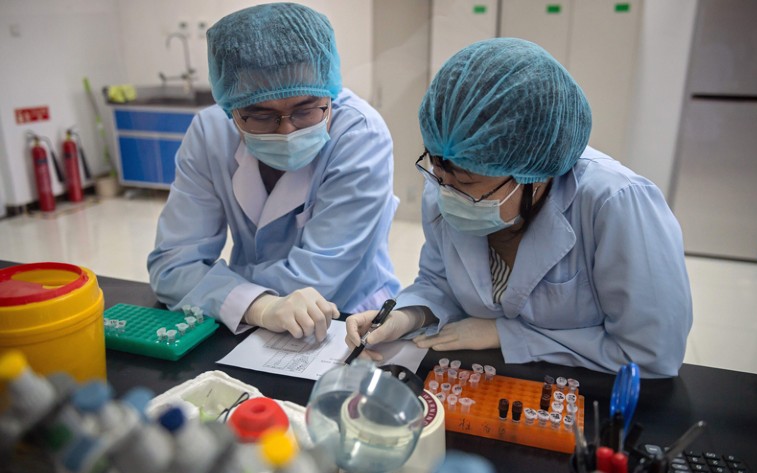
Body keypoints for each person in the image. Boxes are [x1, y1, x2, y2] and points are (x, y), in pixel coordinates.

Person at [346, 38, 692, 378]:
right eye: (438, 172)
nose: (446, 192)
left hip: (586, 392)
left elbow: (651, 352)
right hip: (485, 379)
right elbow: (439, 282)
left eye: (467, 184)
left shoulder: (615, 204)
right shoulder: (447, 180)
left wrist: (506, 334)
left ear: (532, 176)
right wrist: (409, 316)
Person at [148, 3, 400, 341]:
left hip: (350, 314)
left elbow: (319, 274)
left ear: (329, 90)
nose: (286, 132)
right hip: (248, 321)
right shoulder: (210, 133)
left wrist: (223, 290)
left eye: (306, 109)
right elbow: (172, 266)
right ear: (230, 106)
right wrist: (259, 307)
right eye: (260, 115)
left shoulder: (360, 134)